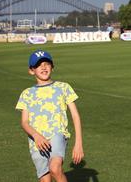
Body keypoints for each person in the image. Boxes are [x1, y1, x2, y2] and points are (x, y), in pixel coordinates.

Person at [16, 50, 84, 182]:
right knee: (45, 180)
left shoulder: (63, 87)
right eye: (39, 65)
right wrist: (36, 136)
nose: (43, 67)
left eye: (47, 64)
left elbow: (75, 116)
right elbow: (24, 122)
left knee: (55, 168)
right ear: (31, 70)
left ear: (52, 67)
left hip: (57, 134)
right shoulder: (26, 94)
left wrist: (78, 144)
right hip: (37, 142)